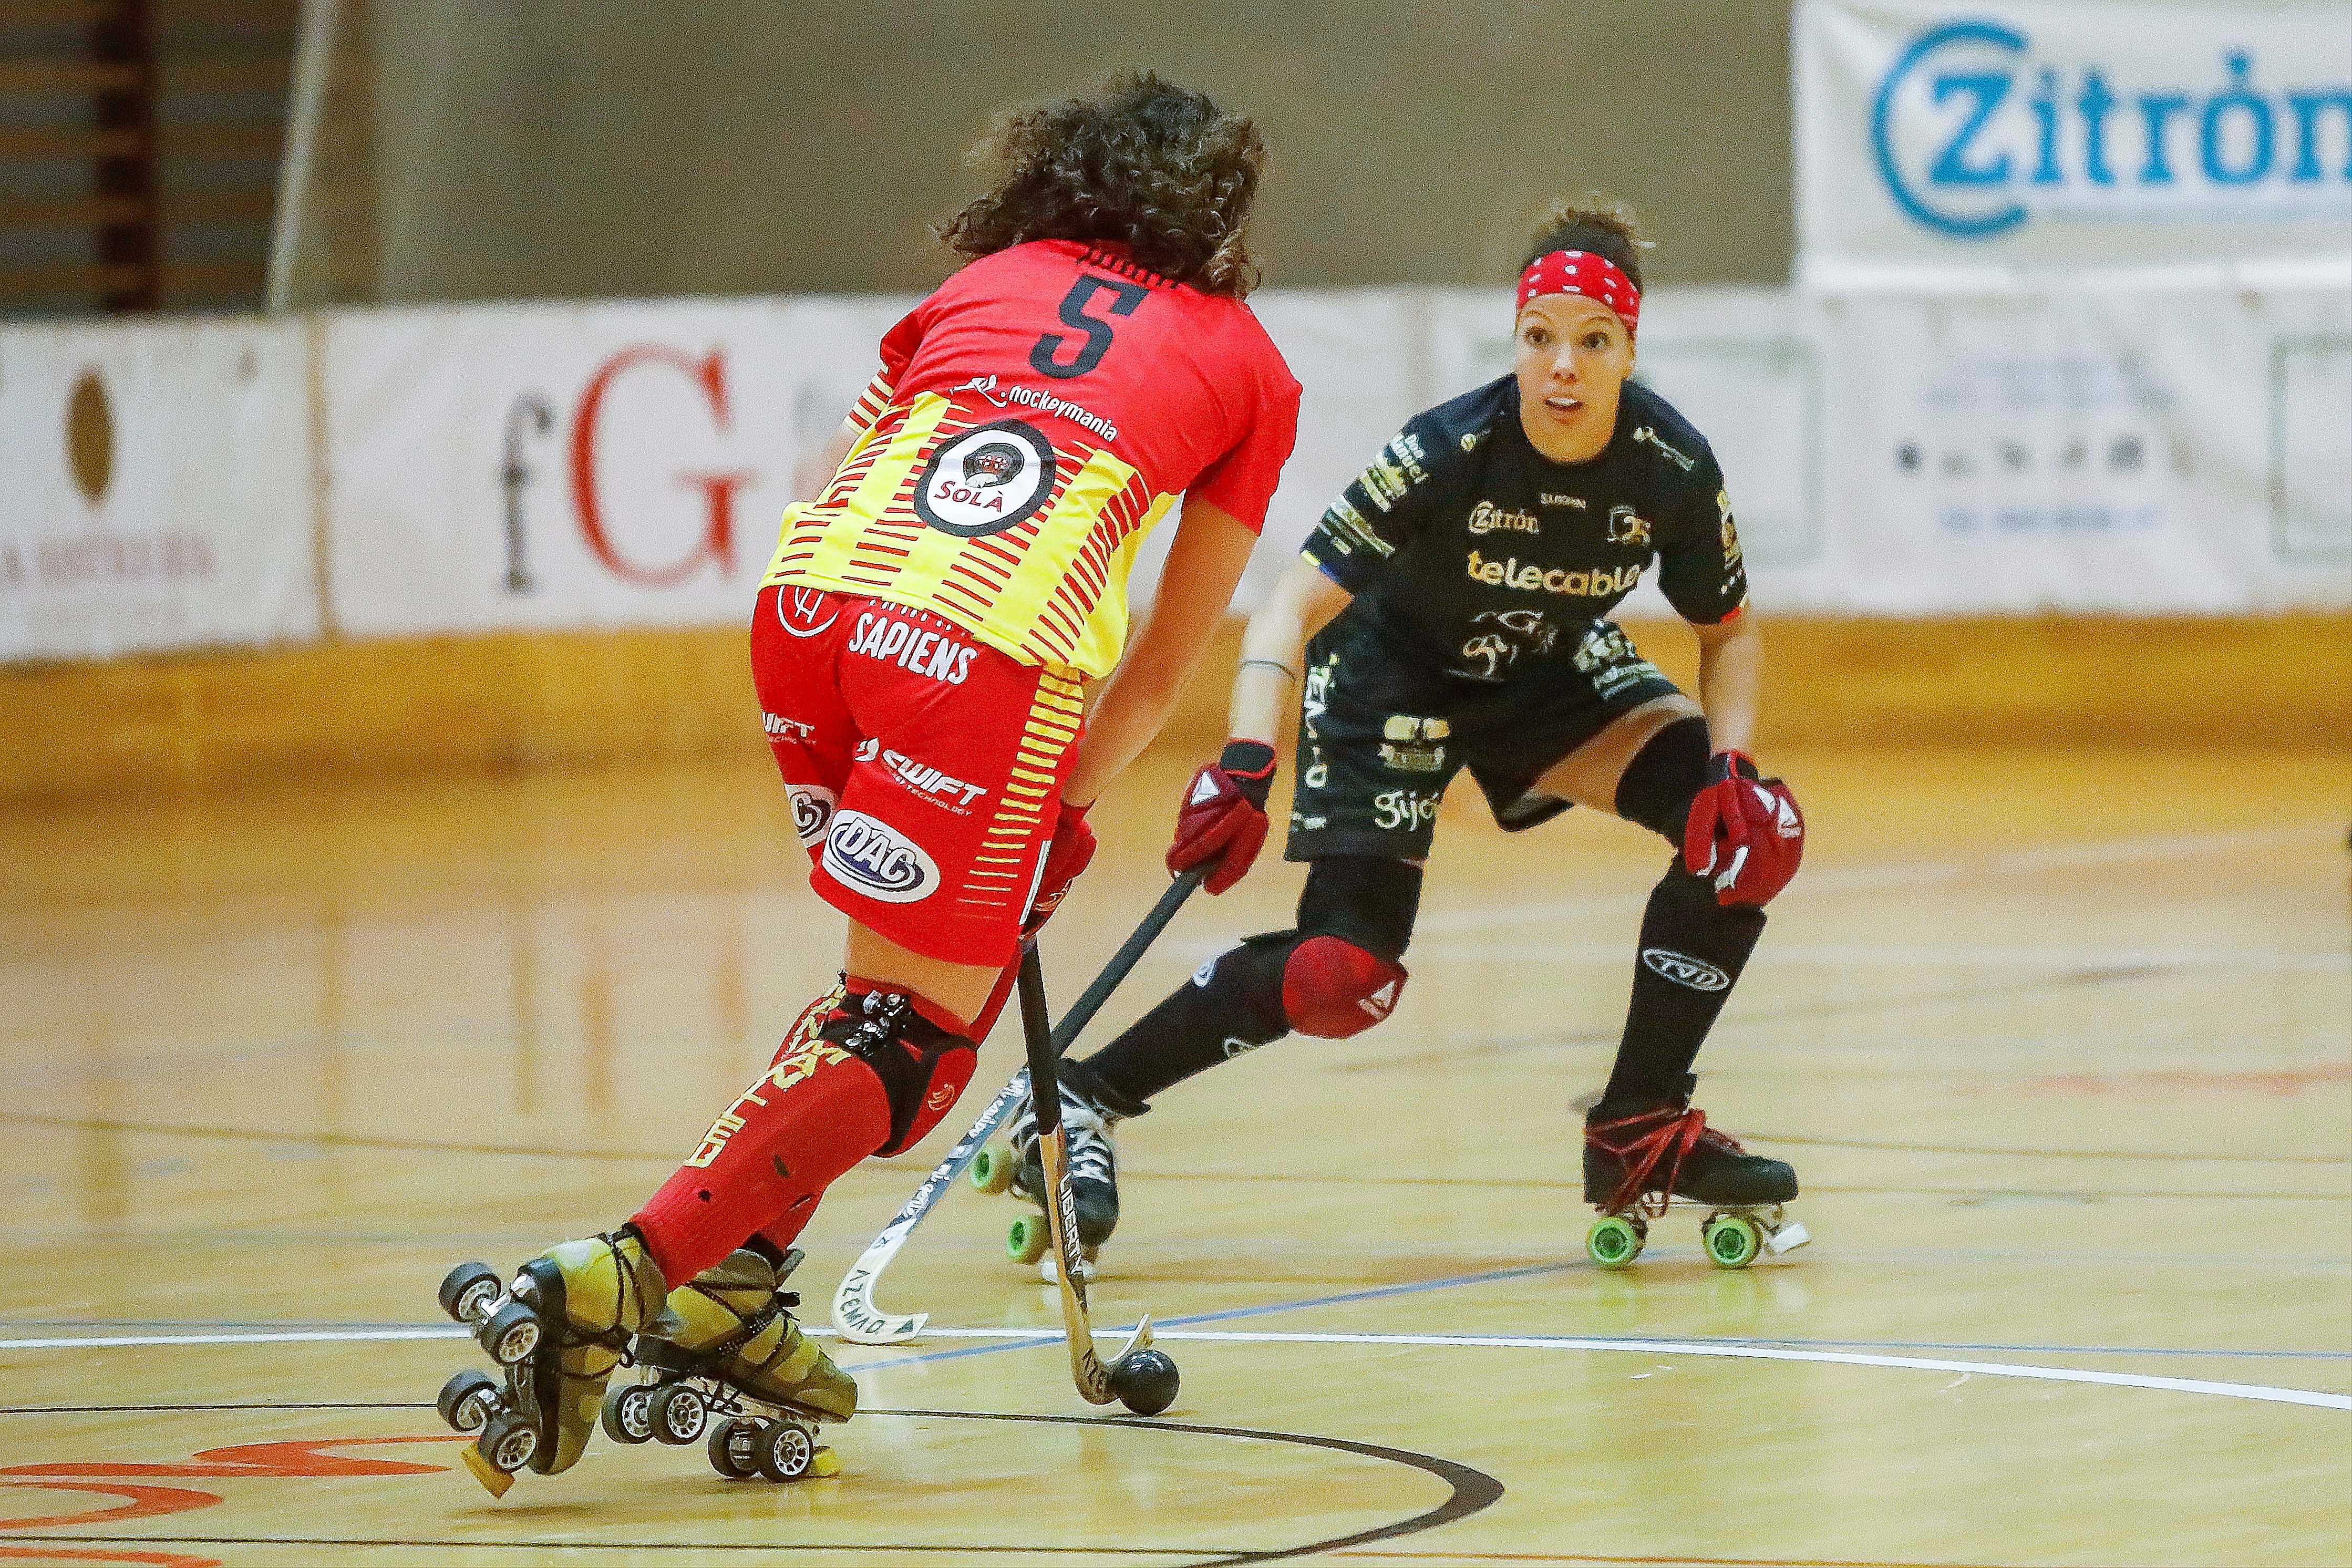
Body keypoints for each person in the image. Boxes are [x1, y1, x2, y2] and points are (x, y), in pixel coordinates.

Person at [435, 70, 1301, 1491]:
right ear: (1216, 216)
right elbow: (1154, 671)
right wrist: (1060, 810)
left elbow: (836, 472)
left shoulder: (989, 280)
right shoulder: (1248, 365)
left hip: (809, 615)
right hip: (976, 649)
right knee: (911, 1049)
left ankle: (735, 1284)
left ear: (1054, 178)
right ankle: (616, 1278)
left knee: (886, 1013)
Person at [1009, 196, 1806, 1270]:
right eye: (1540, 339)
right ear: (1515, 342)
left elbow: (1732, 631)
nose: (1561, 367)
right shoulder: (1450, 447)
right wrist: (1247, 757)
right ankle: (1084, 1089)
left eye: (1592, 342)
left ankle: (1637, 1126)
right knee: (1344, 974)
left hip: (1541, 670)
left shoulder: (1670, 466)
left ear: (1629, 349)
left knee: (1752, 836)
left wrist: (1730, 761)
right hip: (1393, 672)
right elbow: (1288, 603)